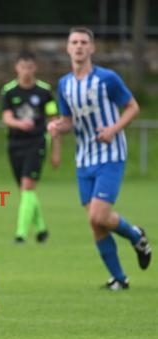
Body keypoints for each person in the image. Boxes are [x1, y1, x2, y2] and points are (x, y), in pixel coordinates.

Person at [47, 27, 151, 290]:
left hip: (111, 155)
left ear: (92, 48)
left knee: (99, 214)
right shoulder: (64, 84)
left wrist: (113, 129)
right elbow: (68, 122)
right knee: (95, 221)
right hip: (84, 159)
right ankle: (119, 277)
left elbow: (133, 107)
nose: (79, 46)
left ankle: (136, 236)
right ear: (68, 48)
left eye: (84, 42)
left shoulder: (107, 78)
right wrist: (58, 127)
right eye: (74, 42)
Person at [1, 50, 58, 244]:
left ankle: (21, 234)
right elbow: (7, 116)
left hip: (37, 142)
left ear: (35, 68)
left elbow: (53, 120)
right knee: (27, 191)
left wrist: (56, 150)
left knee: (27, 186)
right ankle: (42, 229)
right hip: (15, 144)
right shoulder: (9, 91)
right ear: (17, 67)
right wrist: (19, 124)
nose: (26, 71)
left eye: (30, 67)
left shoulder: (44, 92)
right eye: (22, 66)